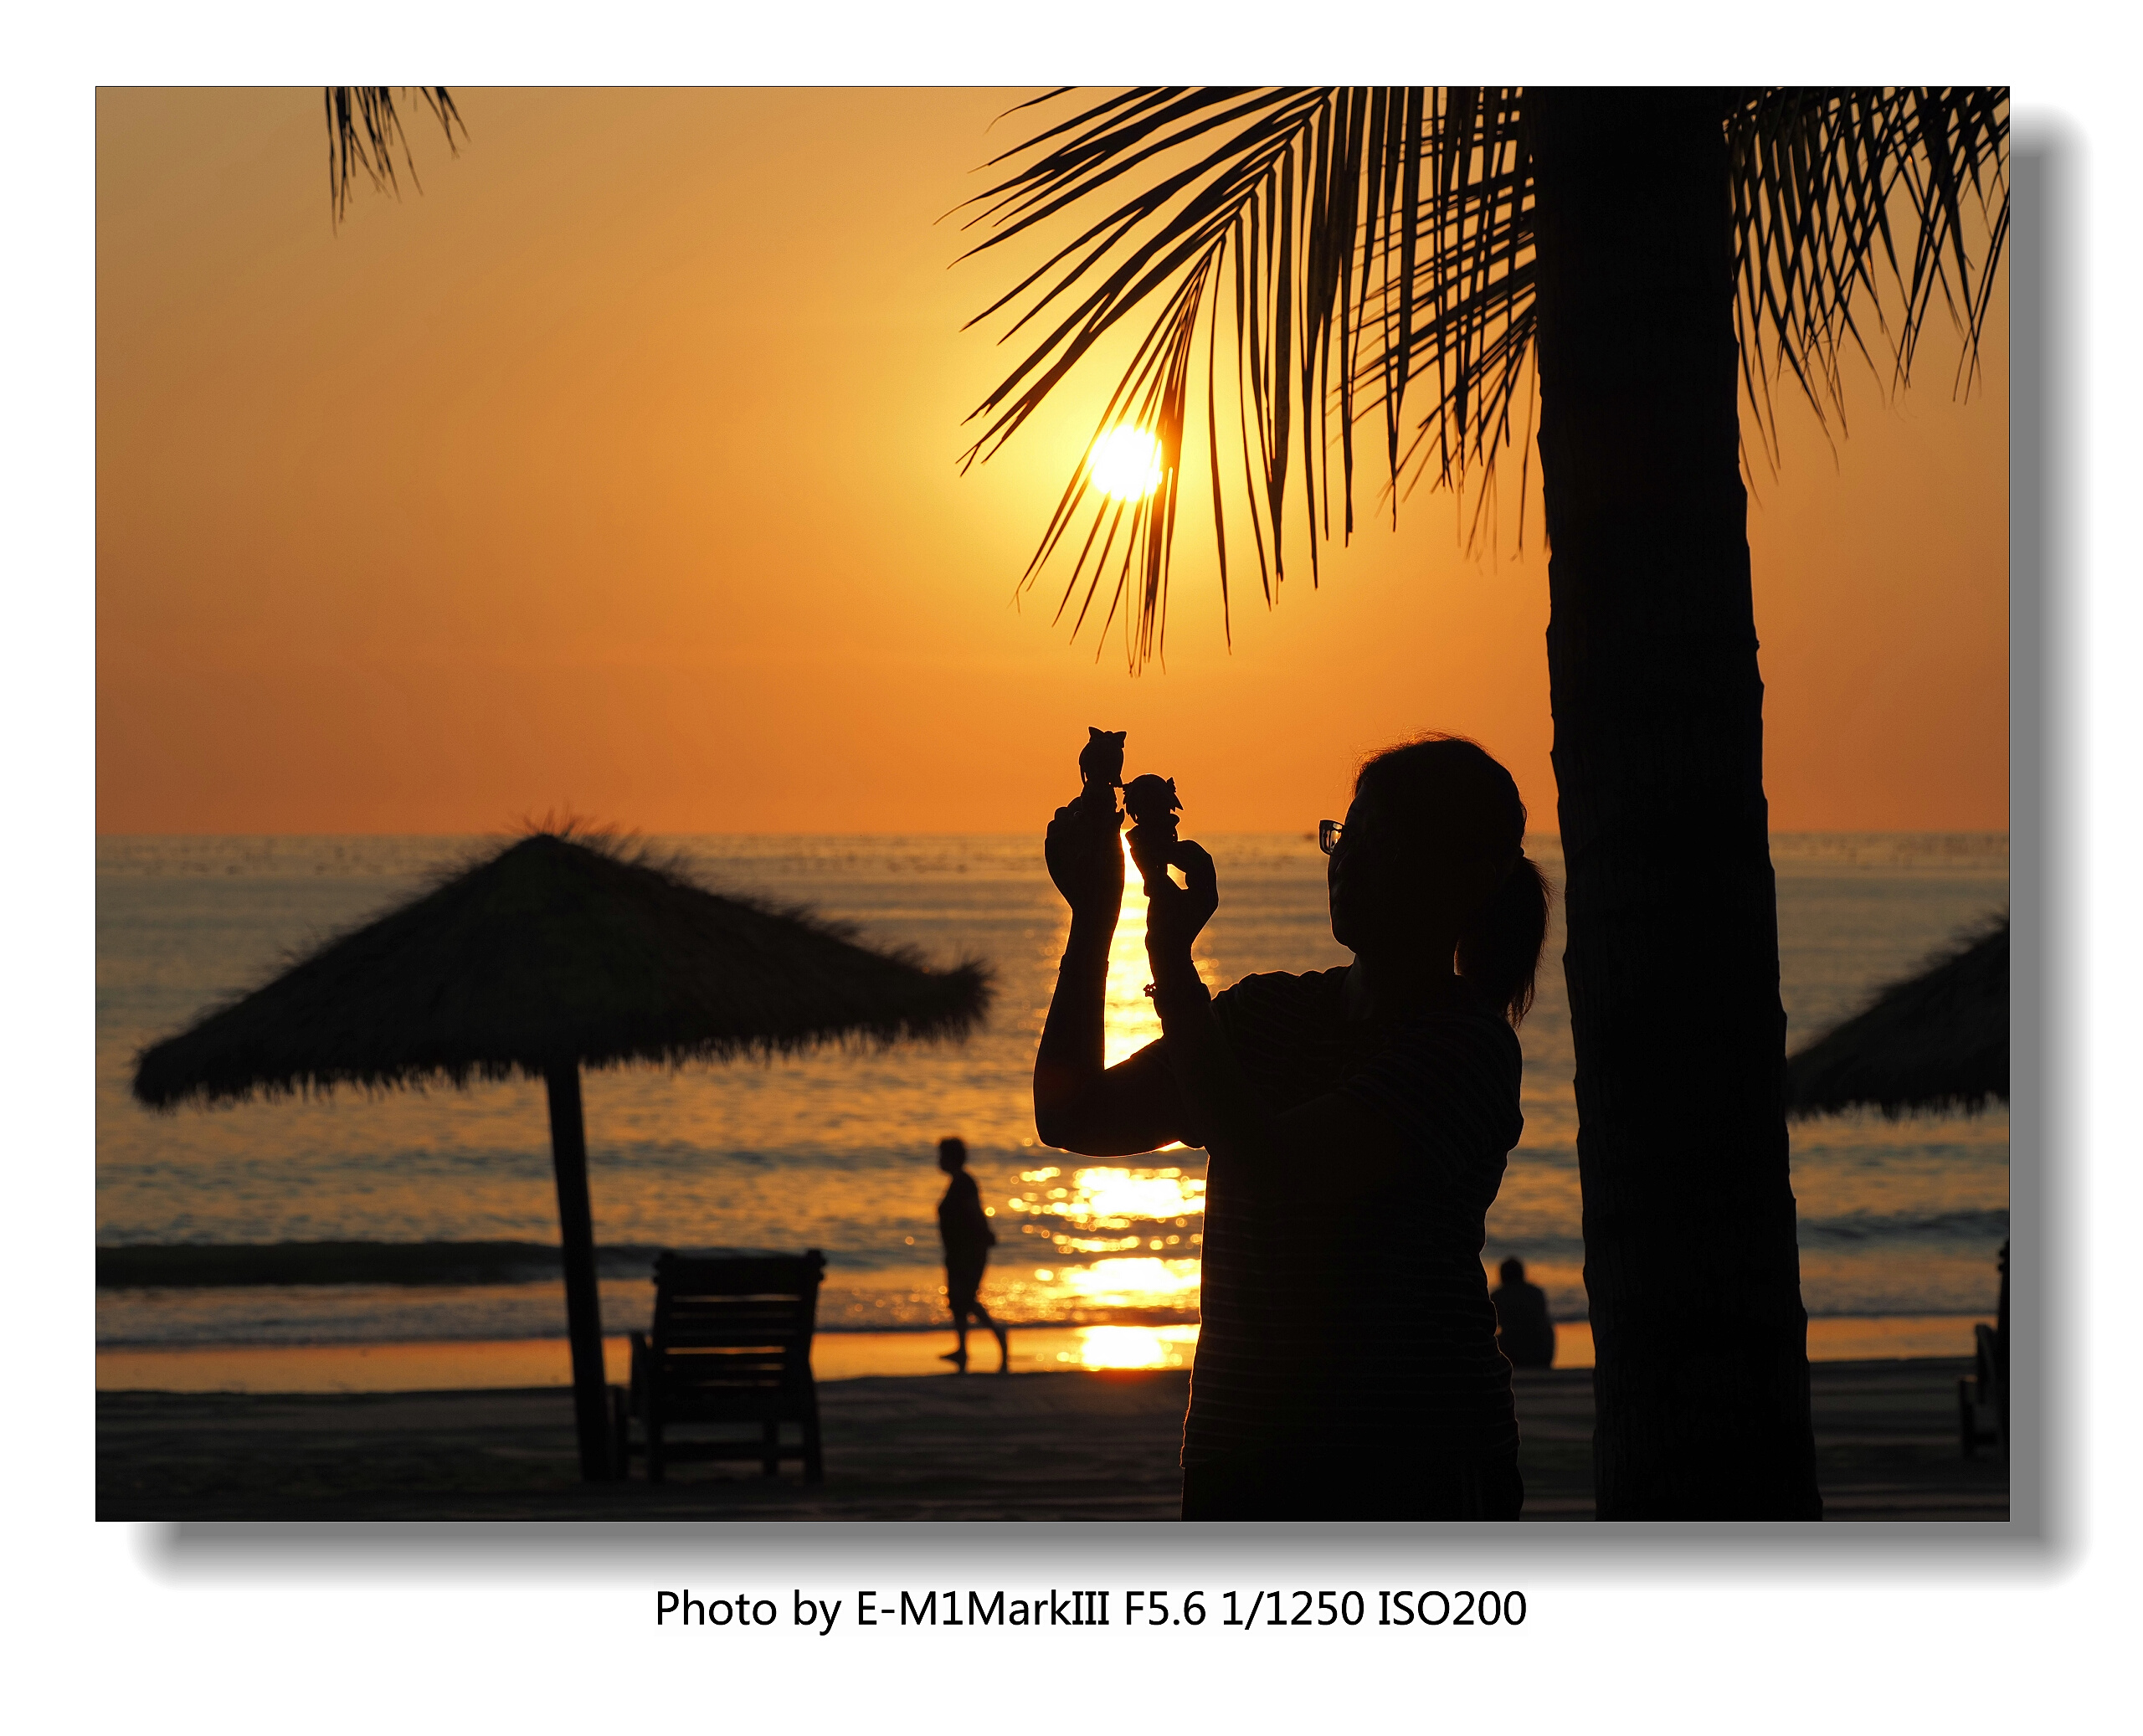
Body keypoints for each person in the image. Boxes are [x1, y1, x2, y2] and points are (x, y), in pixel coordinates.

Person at [1034, 733, 1550, 1519]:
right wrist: (1094, 915)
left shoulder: (1464, 1047)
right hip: (1241, 1451)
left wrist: (1172, 964)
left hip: (1414, 1460)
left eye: (1385, 842)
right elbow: (1074, 1114)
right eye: (1346, 836)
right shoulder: (1265, 1013)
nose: (1349, 862)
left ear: (1467, 877)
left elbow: (1275, 1170)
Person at [935, 1136, 1010, 1374]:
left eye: (941, 1156)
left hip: (968, 1251)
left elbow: (975, 1212)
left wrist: (985, 1236)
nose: (938, 1160)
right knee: (957, 1302)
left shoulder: (965, 1183)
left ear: (951, 1158)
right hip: (956, 1251)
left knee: (965, 1299)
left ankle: (999, 1335)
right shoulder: (957, 1182)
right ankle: (962, 1350)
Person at [1490, 1256, 1556, 1369]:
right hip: (1540, 1351)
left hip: (1512, 1352)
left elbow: (1492, 1326)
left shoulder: (1498, 1296)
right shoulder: (1536, 1292)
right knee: (1549, 1328)